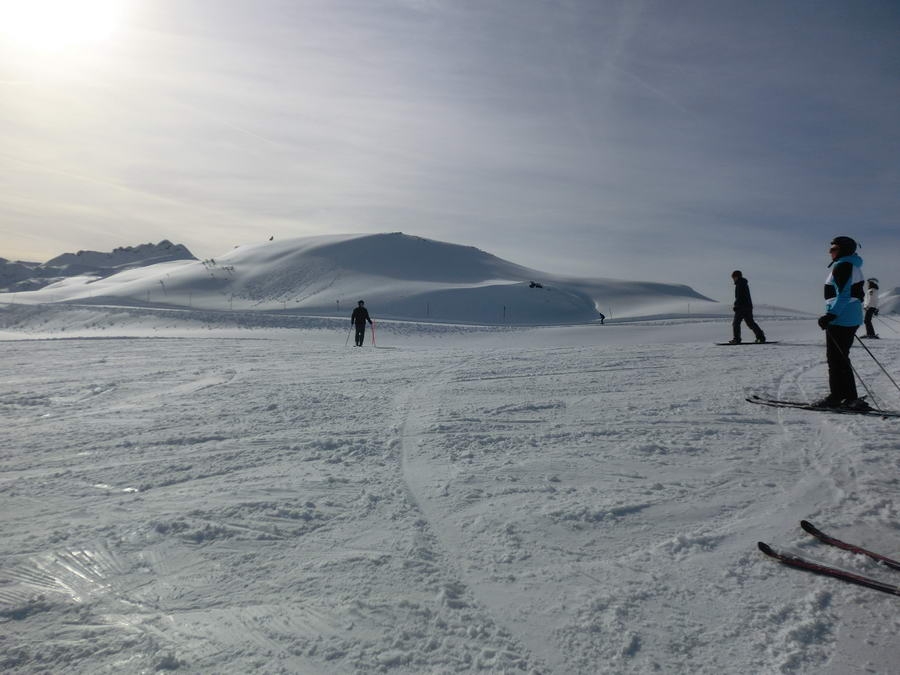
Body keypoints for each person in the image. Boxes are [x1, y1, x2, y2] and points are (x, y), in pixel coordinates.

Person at [816, 236, 867, 409]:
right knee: (840, 359)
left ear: (843, 250)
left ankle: (838, 397)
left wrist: (830, 316)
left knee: (836, 360)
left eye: (834, 249)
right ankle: (849, 397)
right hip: (847, 316)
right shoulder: (850, 265)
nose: (830, 252)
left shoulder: (844, 265)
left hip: (842, 318)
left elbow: (843, 296)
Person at [728, 271, 766, 344]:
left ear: (737, 277)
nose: (733, 279)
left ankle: (736, 339)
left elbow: (739, 296)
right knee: (750, 323)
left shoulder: (740, 284)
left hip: (741, 307)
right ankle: (761, 337)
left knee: (736, 323)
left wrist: (736, 306)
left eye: (733, 277)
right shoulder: (743, 283)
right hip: (748, 307)